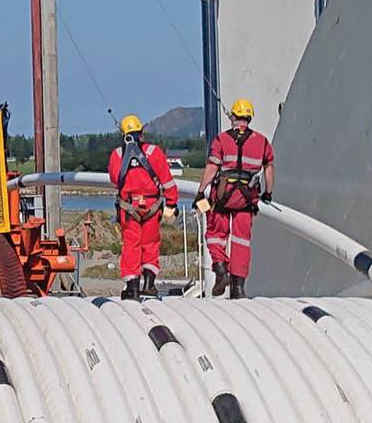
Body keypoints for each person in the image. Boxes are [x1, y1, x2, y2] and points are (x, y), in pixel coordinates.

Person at [193, 98, 275, 299]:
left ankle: (221, 270)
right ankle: (238, 288)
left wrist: (201, 190)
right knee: (241, 241)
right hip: (247, 199)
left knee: (215, 234)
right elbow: (269, 170)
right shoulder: (262, 142)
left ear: (233, 116)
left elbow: (212, 167)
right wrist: (268, 193)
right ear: (249, 117)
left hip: (222, 197)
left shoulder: (222, 140)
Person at [109, 114, 179, 299]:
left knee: (131, 246)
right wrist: (172, 202)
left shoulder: (117, 155)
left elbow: (115, 180)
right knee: (150, 244)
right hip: (152, 206)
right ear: (141, 133)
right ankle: (149, 284)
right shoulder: (154, 152)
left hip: (129, 207)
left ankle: (132, 287)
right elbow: (167, 181)